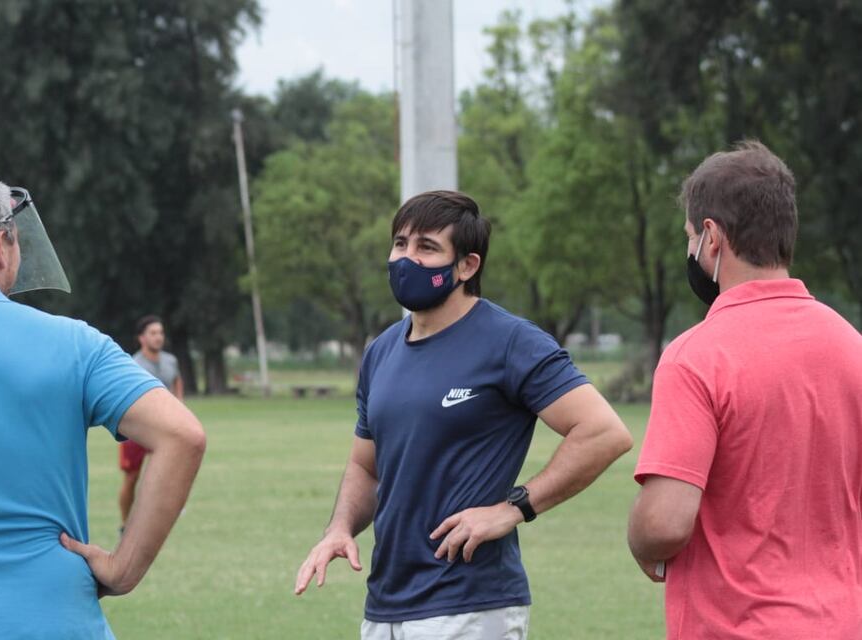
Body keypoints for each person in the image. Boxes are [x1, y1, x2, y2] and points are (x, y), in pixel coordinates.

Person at [0, 167, 206, 639]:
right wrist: (123, 569)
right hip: (58, 621)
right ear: (0, 246)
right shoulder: (75, 344)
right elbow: (182, 435)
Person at [295, 190, 633, 639]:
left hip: (471, 605)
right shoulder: (380, 352)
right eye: (400, 244)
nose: (406, 259)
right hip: (385, 606)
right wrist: (340, 528)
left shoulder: (511, 342)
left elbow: (604, 432)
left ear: (467, 266)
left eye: (427, 248)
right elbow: (366, 465)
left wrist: (514, 509)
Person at [627, 141, 862, 639]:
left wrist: (641, 541)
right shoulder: (851, 345)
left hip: (736, 626)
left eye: (690, 236)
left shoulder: (695, 357)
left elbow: (664, 523)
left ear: (711, 237)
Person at [119, 315, 184, 527]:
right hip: (138, 429)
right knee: (132, 478)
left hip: (165, 428)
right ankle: (125, 523)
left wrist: (179, 406)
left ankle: (160, 520)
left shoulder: (170, 361)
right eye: (153, 333)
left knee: (168, 473)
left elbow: (176, 381)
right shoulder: (133, 363)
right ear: (142, 338)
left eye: (160, 333)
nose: (158, 337)